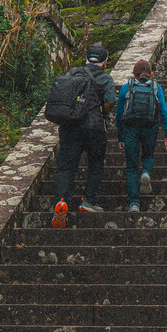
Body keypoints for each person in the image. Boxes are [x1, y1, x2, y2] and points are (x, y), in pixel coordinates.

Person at [50, 43, 116, 227]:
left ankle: (62, 201)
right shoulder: (106, 79)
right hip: (94, 127)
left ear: (87, 58)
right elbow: (110, 102)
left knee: (66, 166)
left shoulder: (72, 74)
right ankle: (88, 200)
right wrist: (102, 110)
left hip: (70, 126)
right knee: (95, 163)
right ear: (104, 62)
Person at [116, 58, 167, 215]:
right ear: (151, 73)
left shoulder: (126, 87)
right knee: (148, 155)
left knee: (131, 166)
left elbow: (119, 114)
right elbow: (163, 111)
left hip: (130, 129)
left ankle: (134, 203)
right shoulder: (156, 87)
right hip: (150, 127)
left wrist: (120, 138)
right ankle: (146, 171)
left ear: (135, 74)